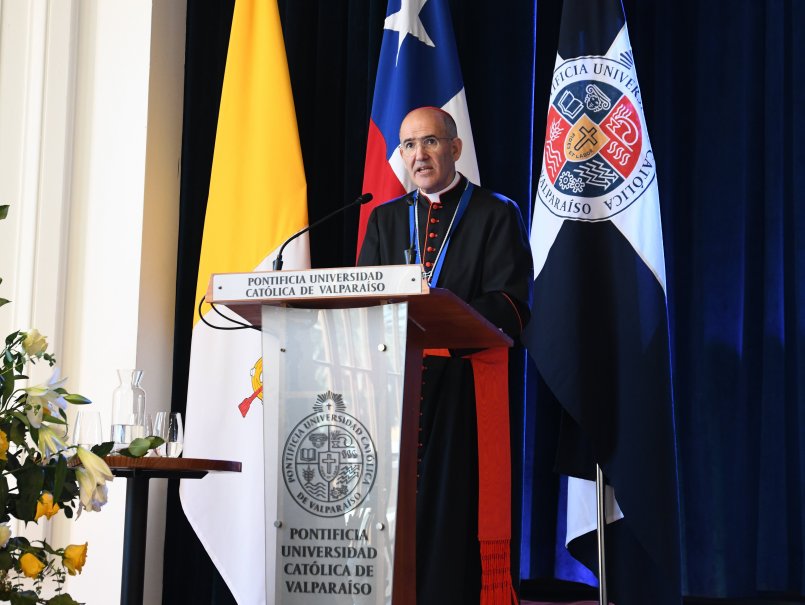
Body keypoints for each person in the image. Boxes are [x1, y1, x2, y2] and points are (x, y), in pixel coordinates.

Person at [358, 107, 533, 604]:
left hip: (462, 393)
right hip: (392, 393)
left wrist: (443, 313)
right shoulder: (385, 219)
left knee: (451, 516)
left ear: (455, 149)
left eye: (430, 143)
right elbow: (362, 298)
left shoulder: (496, 214)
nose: (419, 155)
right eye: (409, 145)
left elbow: (512, 303)